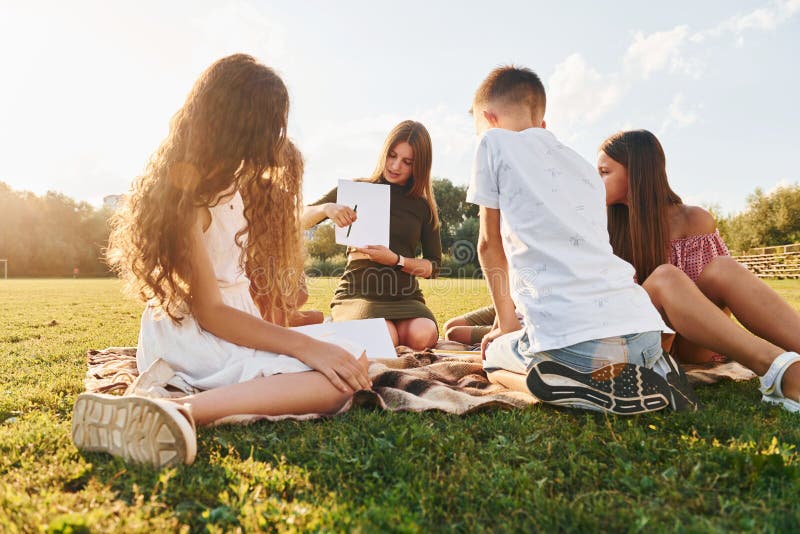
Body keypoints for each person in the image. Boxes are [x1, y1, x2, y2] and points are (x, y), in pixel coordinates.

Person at [71, 54, 372, 468]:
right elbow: (211, 312)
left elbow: (284, 191)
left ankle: (173, 411)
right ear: (242, 125)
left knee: (350, 359)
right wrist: (307, 348)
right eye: (272, 124)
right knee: (335, 383)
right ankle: (181, 413)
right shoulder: (187, 201)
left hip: (230, 324)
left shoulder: (232, 182)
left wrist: (302, 336)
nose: (277, 136)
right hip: (194, 337)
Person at [467, 65, 697, 415]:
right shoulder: (583, 169)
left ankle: (580, 383)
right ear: (542, 124)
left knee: (492, 361)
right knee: (628, 349)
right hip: (645, 333)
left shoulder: (493, 142)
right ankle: (658, 370)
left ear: (489, 118)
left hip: (576, 347)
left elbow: (488, 243)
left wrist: (507, 328)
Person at [599, 129, 800, 413]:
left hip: (694, 342)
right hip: (643, 342)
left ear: (636, 173)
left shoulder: (693, 220)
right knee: (665, 277)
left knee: (723, 268)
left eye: (604, 172)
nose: (597, 181)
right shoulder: (600, 228)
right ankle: (779, 370)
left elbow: (718, 299)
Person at [302, 121, 442, 351]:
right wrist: (326, 208)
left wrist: (397, 260)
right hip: (358, 293)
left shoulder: (423, 207)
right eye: (392, 155)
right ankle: (352, 325)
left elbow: (434, 267)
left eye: (407, 162)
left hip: (406, 298)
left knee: (423, 335)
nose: (395, 165)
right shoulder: (356, 189)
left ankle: (365, 335)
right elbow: (301, 218)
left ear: (420, 166)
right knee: (383, 336)